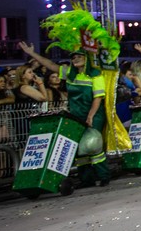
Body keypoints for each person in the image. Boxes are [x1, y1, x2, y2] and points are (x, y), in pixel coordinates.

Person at [19, 42, 110, 186]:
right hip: (76, 115)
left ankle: (104, 175)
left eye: (79, 56)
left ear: (86, 58)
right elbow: (49, 64)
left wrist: (91, 116)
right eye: (73, 57)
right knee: (79, 148)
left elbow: (97, 98)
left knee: (93, 145)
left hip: (94, 114)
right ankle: (86, 179)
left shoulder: (95, 75)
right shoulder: (69, 73)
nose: (75, 59)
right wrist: (31, 53)